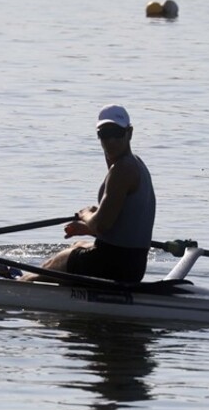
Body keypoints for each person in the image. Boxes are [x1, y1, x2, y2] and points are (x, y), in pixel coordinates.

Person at [22, 104, 156, 284]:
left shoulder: (123, 170)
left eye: (117, 133)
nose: (111, 140)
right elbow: (123, 227)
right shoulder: (135, 164)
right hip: (132, 265)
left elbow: (101, 226)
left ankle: (20, 284)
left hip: (111, 265)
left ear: (129, 133)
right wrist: (87, 228)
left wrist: (86, 215)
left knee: (60, 261)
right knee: (76, 246)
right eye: (104, 134)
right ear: (99, 136)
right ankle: (24, 277)